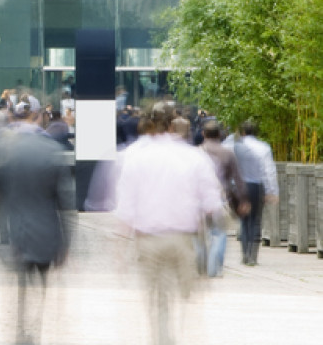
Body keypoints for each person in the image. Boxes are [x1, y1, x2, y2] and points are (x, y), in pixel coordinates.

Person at [114, 103, 223, 345]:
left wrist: (119, 249)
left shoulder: (135, 157)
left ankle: (161, 337)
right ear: (174, 125)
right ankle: (183, 336)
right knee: (187, 299)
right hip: (184, 240)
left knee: (156, 298)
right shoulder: (194, 156)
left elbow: (126, 208)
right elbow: (212, 203)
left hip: (148, 241)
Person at [0, 104, 73, 345]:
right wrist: (66, 243)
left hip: (18, 231)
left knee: (21, 285)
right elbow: (64, 202)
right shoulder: (51, 150)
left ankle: (20, 330)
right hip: (47, 233)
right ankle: (34, 329)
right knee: (41, 286)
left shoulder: (7, 151)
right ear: (39, 118)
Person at [198, 121, 248, 277]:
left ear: (203, 134)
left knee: (200, 234)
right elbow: (238, 179)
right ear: (220, 135)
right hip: (221, 199)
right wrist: (243, 200)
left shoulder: (196, 153)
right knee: (219, 234)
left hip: (198, 201)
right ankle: (215, 266)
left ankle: (201, 265)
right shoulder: (227, 153)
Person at [233, 121, 279, 266]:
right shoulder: (263, 147)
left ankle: (244, 253)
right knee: (255, 219)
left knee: (243, 219)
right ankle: (253, 255)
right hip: (256, 186)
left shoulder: (236, 147)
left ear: (243, 132)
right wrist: (272, 191)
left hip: (240, 187)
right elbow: (268, 171)